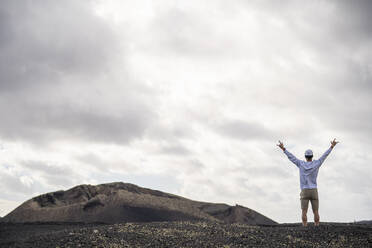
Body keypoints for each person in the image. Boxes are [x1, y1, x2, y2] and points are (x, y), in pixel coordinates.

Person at [277, 138, 339, 226]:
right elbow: (325, 155)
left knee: (304, 211)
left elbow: (291, 157)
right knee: (316, 211)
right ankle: (317, 226)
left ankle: (305, 226)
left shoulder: (300, 164)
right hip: (314, 190)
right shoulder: (317, 163)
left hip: (304, 190)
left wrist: (283, 149)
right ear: (312, 156)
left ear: (305, 156)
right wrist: (331, 147)